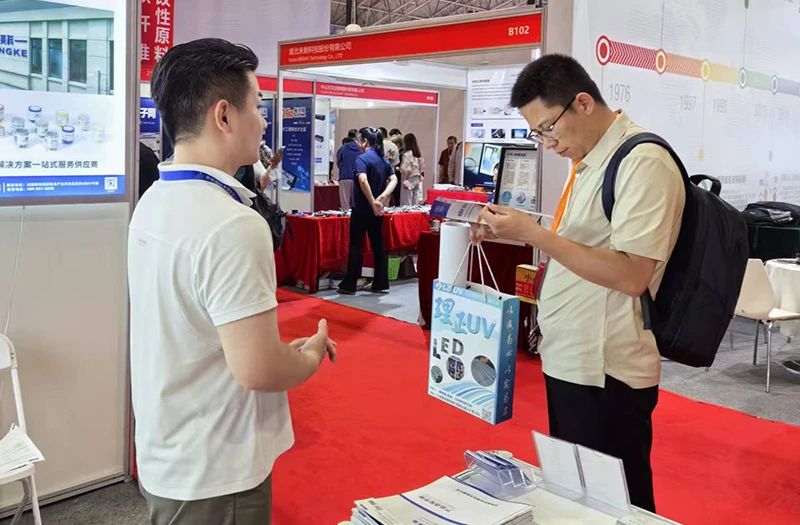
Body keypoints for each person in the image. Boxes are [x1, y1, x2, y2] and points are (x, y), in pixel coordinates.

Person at [128, 38, 336, 525]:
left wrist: (270, 349)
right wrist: (307, 357)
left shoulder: (155, 199)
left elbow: (199, 325)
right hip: (216, 470)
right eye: (258, 106)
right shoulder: (233, 224)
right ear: (223, 115)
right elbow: (258, 370)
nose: (263, 122)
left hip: (169, 448)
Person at [472, 54, 684, 512]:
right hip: (573, 360)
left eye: (548, 128)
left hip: (605, 371)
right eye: (538, 134)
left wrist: (535, 234)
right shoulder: (591, 161)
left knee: (618, 507)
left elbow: (632, 275)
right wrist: (517, 228)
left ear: (583, 103)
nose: (547, 143)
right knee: (579, 502)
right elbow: (582, 247)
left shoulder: (643, 162)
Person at [337, 127, 398, 295]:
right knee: (378, 245)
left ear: (364, 142)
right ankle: (380, 283)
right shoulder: (383, 160)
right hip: (376, 211)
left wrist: (372, 202)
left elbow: (363, 180)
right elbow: (394, 179)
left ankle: (350, 283)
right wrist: (383, 197)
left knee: (356, 245)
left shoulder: (362, 159)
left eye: (359, 140)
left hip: (362, 209)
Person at [336, 128, 360, 210]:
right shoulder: (360, 148)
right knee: (357, 204)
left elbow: (338, 163)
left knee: (345, 205)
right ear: (357, 137)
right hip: (358, 178)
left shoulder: (342, 148)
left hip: (344, 177)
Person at [399, 132, 425, 206]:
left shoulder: (407, 154)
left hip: (409, 179)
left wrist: (404, 179)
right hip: (417, 179)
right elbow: (422, 168)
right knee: (415, 202)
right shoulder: (418, 154)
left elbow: (406, 169)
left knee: (406, 202)